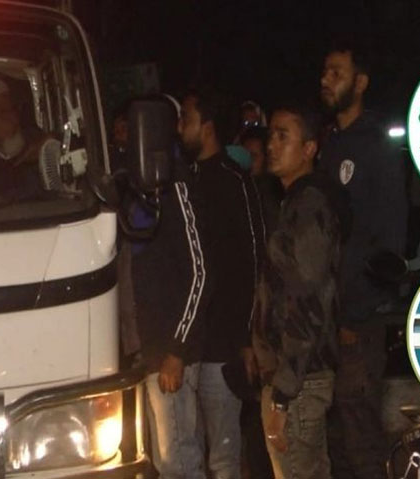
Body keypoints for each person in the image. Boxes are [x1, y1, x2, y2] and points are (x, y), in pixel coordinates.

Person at [316, 39, 407, 479]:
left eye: (337, 72)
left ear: (361, 82)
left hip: (358, 320)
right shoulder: (327, 144)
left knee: (361, 433)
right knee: (332, 435)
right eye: (325, 72)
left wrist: (358, 311)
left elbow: (389, 239)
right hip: (326, 318)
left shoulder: (375, 145)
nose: (326, 80)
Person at [178, 87, 265, 479]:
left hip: (224, 343)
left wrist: (247, 337)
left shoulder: (234, 181)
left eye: (186, 119)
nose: (180, 128)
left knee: (225, 455)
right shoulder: (184, 181)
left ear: (207, 127)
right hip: (188, 342)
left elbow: (253, 260)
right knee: (187, 451)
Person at [254, 103, 339, 479]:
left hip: (299, 379)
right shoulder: (295, 203)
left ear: (309, 149)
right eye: (271, 135)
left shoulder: (308, 207)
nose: (272, 145)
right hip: (297, 375)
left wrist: (283, 394)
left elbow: (307, 300)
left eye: (283, 136)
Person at [128, 98, 211, 478]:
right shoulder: (143, 186)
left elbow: (201, 273)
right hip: (152, 350)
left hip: (170, 353)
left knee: (179, 462)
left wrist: (177, 350)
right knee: (167, 461)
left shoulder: (175, 186)